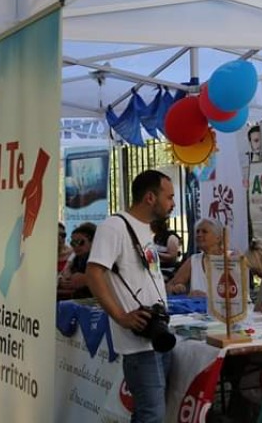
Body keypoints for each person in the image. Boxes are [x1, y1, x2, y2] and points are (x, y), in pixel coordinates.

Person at [86, 169, 176, 423]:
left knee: (150, 412)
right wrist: (121, 316)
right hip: (138, 344)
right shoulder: (114, 227)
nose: (173, 203)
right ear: (150, 198)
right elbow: (94, 273)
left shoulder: (145, 230)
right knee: (152, 414)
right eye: (169, 197)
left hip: (156, 334)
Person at [165, 218, 224, 297]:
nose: (199, 235)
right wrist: (176, 289)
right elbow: (169, 286)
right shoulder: (194, 260)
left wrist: (206, 297)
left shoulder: (232, 259)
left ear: (218, 238)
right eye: (197, 231)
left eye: (204, 231)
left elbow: (238, 294)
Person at [58, 222, 96, 300]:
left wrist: (86, 280)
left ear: (93, 241)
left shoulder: (99, 259)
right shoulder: (76, 258)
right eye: (73, 243)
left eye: (80, 242)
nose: (76, 246)